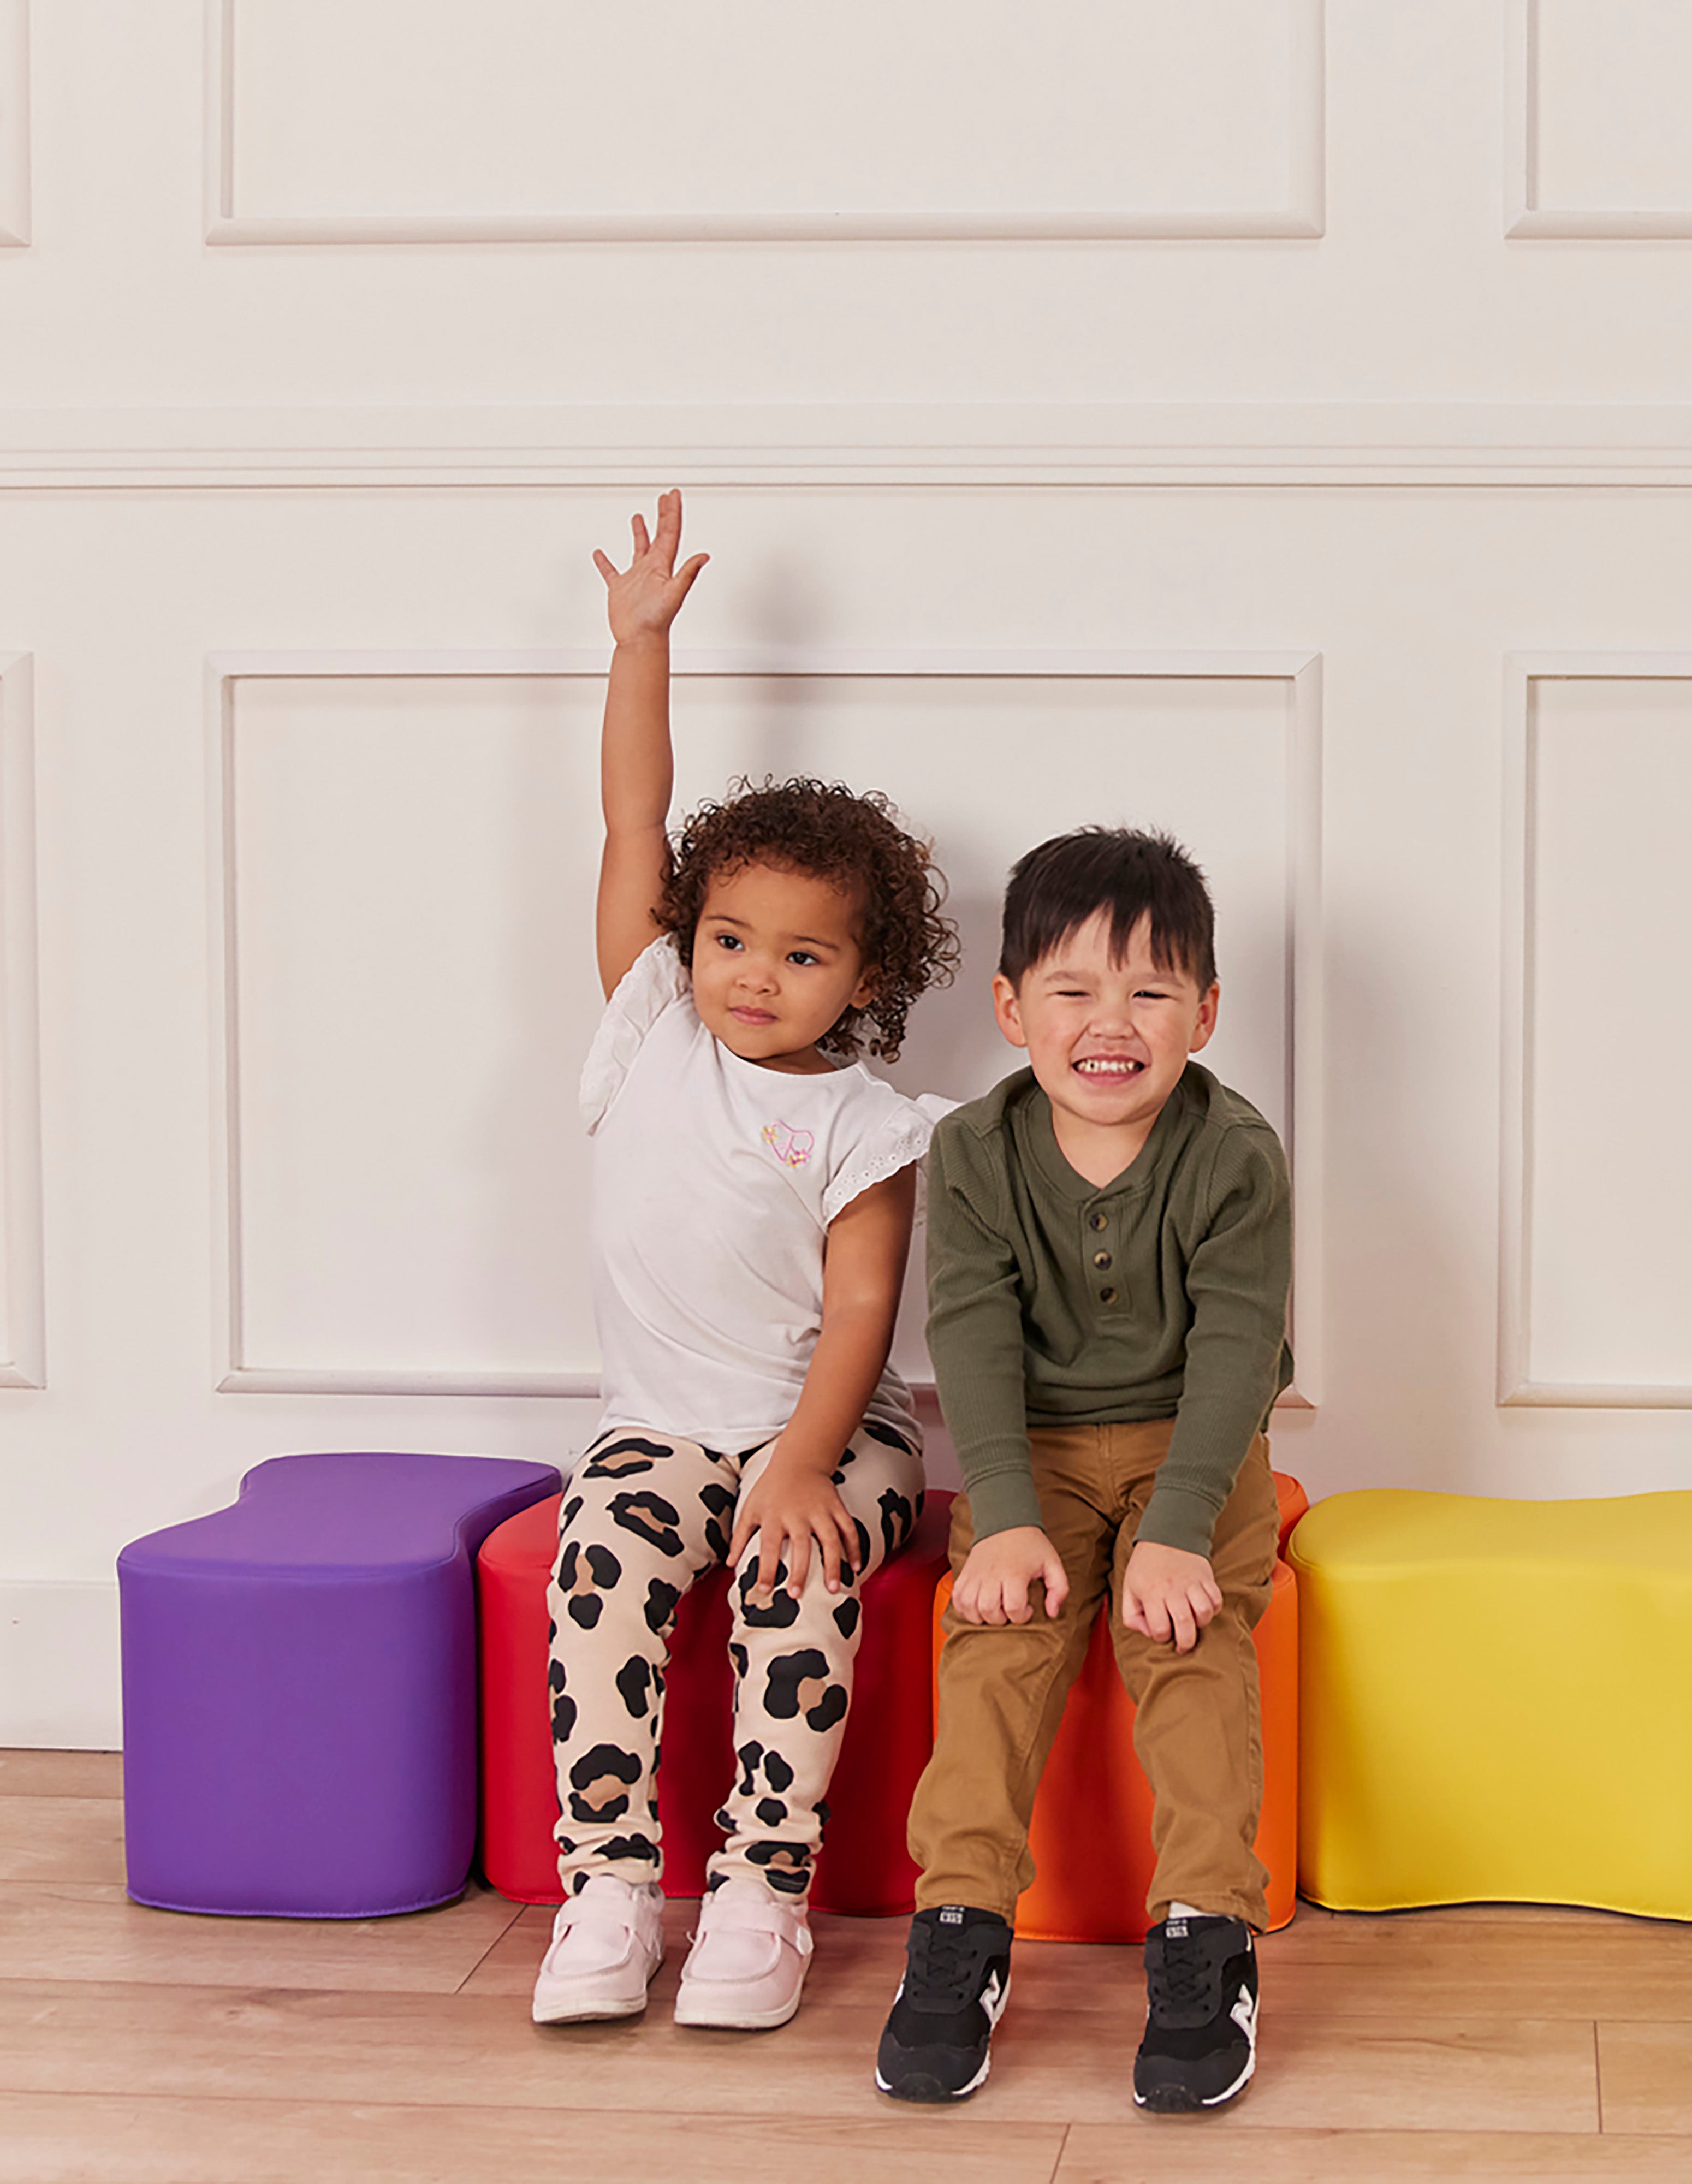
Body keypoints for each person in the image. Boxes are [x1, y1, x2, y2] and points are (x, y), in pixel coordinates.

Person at [532, 491, 957, 2031]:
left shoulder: (868, 1122)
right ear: (687, 938)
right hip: (657, 1425)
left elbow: (863, 1310)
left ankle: (761, 1897)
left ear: (866, 976)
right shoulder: (647, 1030)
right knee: (601, 1571)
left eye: (801, 953)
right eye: (729, 938)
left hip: (831, 1428)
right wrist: (641, 643)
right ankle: (610, 1886)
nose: (752, 974)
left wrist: (801, 1465)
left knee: (799, 1589)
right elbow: (630, 823)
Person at [875, 827, 1292, 2111]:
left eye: (1151, 990)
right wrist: (997, 1513)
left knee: (1189, 1647)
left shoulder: (1232, 1153)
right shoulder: (974, 1151)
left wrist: (1176, 1524)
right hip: (1035, 1449)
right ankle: (957, 1926)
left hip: (1192, 1441)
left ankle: (1203, 1931)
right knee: (997, 1648)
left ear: (1204, 1013)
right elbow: (972, 1333)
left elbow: (1236, 1349)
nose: (1111, 1021)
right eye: (1073, 988)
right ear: (1010, 1008)